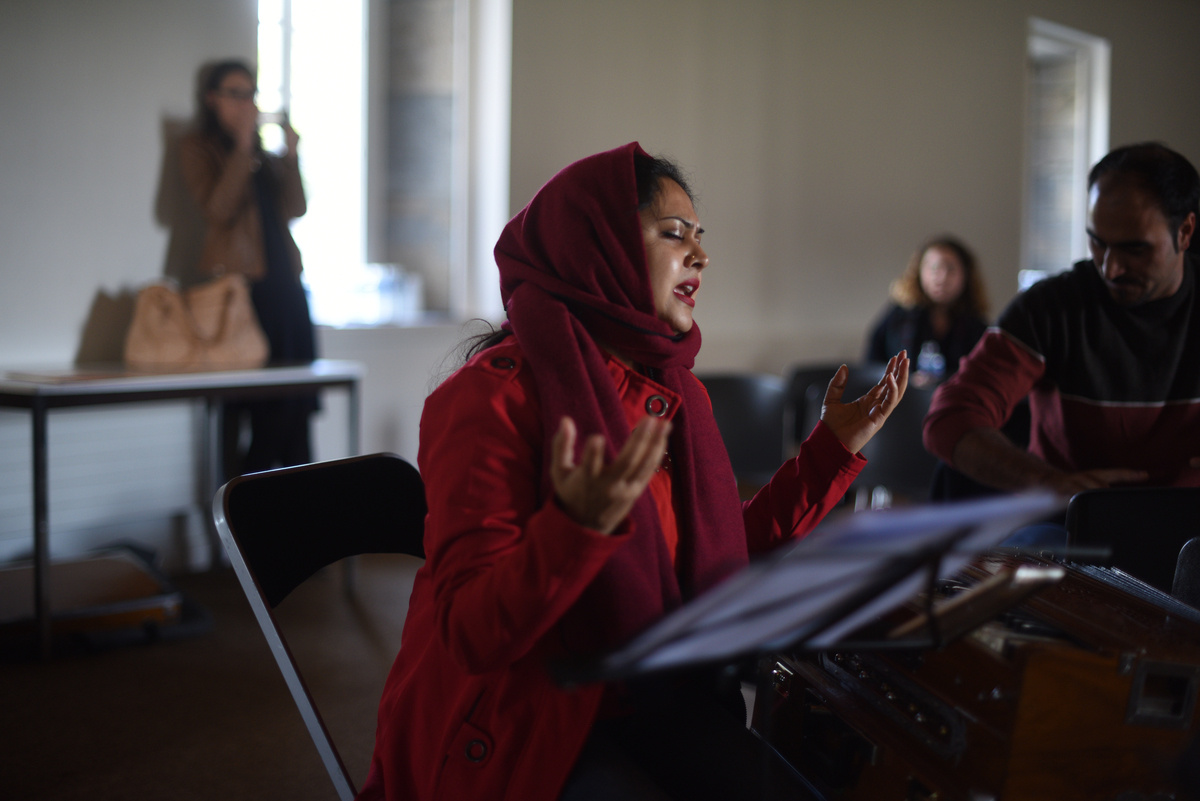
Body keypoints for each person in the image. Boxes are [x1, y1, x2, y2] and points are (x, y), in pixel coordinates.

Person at [356, 143, 909, 801]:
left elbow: (716, 561)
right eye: (675, 234)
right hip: (522, 721)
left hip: (651, 698)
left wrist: (828, 453)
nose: (701, 256)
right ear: (600, 248)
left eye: (700, 237)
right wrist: (574, 528)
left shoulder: (675, 392)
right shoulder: (491, 396)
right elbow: (473, 634)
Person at [923, 142, 1200, 498]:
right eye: (1097, 242)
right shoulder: (1050, 309)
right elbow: (949, 418)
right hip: (1069, 517)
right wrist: (1045, 481)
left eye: (1135, 248)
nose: (1110, 268)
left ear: (1185, 231)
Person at [180, 59, 317, 475]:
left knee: (296, 405)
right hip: (243, 295)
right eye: (236, 94)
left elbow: (296, 208)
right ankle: (243, 501)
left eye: (250, 94)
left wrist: (290, 156)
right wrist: (241, 148)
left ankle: (304, 507)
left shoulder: (263, 156)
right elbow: (217, 209)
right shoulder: (200, 149)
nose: (246, 104)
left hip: (286, 289)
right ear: (212, 99)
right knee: (253, 408)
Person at [866, 235, 989, 387]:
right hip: (904, 400)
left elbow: (984, 377)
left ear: (965, 275)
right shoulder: (898, 318)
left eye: (950, 269)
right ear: (919, 272)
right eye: (934, 268)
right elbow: (871, 369)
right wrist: (906, 382)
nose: (942, 278)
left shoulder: (977, 326)